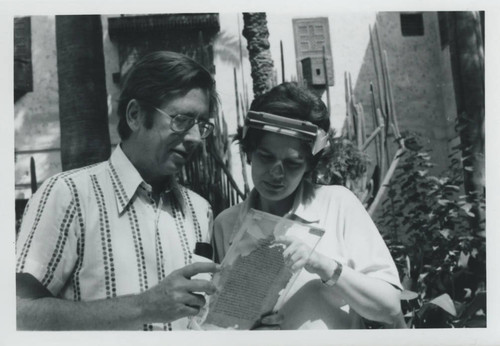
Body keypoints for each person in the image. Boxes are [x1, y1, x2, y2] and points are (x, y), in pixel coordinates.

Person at [16, 51, 220, 331]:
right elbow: (17, 313)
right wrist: (143, 307)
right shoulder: (69, 195)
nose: (195, 138)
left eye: (202, 125)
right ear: (135, 115)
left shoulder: (199, 209)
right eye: (181, 120)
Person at [213, 82, 403, 330]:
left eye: (292, 164)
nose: (275, 173)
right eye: (266, 157)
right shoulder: (226, 223)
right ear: (249, 152)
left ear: (309, 166)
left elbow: (390, 307)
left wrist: (323, 265)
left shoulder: (338, 205)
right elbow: (219, 323)